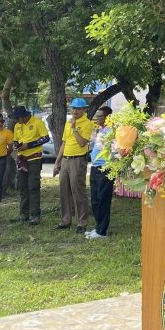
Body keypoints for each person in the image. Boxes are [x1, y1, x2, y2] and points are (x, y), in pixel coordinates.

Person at [53, 97, 94, 232]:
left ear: (84, 110)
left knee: (78, 191)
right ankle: (65, 220)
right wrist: (57, 162)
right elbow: (64, 143)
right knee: (64, 190)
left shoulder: (87, 123)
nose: (74, 111)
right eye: (73, 108)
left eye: (78, 109)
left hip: (78, 160)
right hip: (65, 159)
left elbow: (82, 143)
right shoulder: (68, 123)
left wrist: (75, 128)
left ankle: (81, 222)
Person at [11, 106, 50, 225]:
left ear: (24, 116)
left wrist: (29, 145)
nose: (15, 120)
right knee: (22, 186)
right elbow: (15, 139)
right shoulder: (17, 125)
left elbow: (45, 138)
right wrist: (15, 146)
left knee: (33, 186)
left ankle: (35, 215)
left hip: (34, 158)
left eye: (17, 118)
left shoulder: (38, 122)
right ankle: (24, 214)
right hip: (22, 158)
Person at [86, 105, 114, 239]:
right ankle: (98, 227)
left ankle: (102, 231)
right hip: (95, 167)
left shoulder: (112, 131)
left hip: (105, 168)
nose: (97, 118)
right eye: (97, 116)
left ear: (107, 117)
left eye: (100, 116)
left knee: (103, 198)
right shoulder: (101, 130)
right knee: (95, 199)